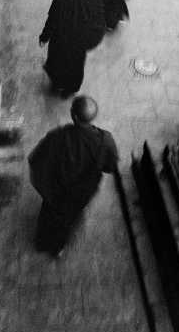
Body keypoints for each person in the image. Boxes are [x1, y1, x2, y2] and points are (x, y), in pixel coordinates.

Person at [28, 95, 119, 257]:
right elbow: (110, 167)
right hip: (81, 194)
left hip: (56, 194)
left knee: (48, 218)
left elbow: (36, 160)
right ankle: (58, 248)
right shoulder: (106, 141)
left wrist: (46, 190)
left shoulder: (57, 136)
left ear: (74, 116)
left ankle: (42, 243)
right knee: (68, 220)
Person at [39, 0, 106, 96]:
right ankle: (71, 89)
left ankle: (57, 85)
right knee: (75, 66)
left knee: (57, 63)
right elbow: (100, 23)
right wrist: (89, 43)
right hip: (79, 44)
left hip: (60, 40)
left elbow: (52, 18)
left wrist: (44, 37)